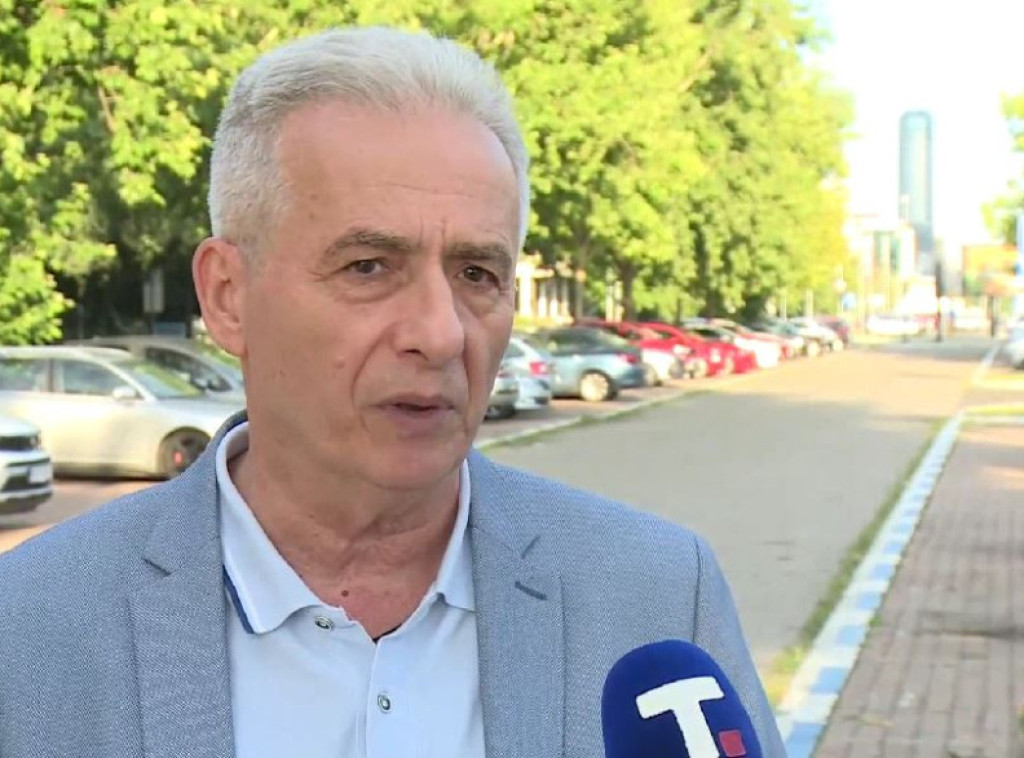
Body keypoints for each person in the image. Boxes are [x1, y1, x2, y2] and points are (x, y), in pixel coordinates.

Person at [0, 27, 785, 756]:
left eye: (476, 273)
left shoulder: (654, 597)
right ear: (228, 295)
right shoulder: (31, 628)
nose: (440, 334)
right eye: (369, 267)